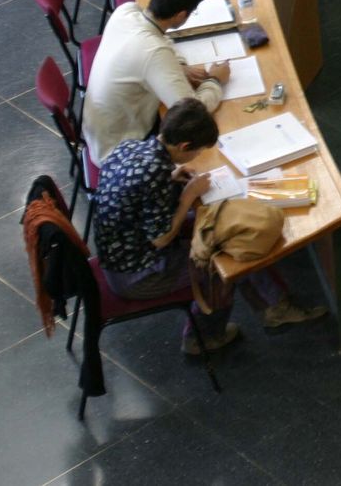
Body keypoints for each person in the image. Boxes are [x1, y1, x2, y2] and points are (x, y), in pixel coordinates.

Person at [93, 99, 325, 356]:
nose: (197, 157)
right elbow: (160, 238)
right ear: (184, 146)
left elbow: (138, 194)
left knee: (225, 230)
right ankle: (203, 337)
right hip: (139, 274)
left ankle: (275, 306)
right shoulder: (153, 173)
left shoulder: (132, 147)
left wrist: (173, 177)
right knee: (224, 261)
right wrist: (189, 195)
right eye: (197, 152)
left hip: (120, 253)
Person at [83, 0, 230, 163]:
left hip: (100, 132)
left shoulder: (126, 11)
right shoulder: (153, 53)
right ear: (181, 15)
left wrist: (178, 66)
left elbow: (161, 40)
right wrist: (215, 81)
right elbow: (192, 113)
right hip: (119, 153)